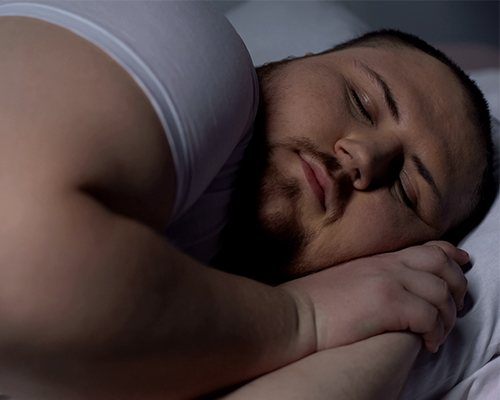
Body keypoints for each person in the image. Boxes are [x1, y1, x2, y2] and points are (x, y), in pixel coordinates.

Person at [0, 2, 493, 399]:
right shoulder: (188, 49)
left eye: (408, 190)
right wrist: (302, 320)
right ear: (284, 65)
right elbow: (20, 270)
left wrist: (393, 320)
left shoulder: (218, 336)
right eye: (360, 100)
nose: (366, 155)